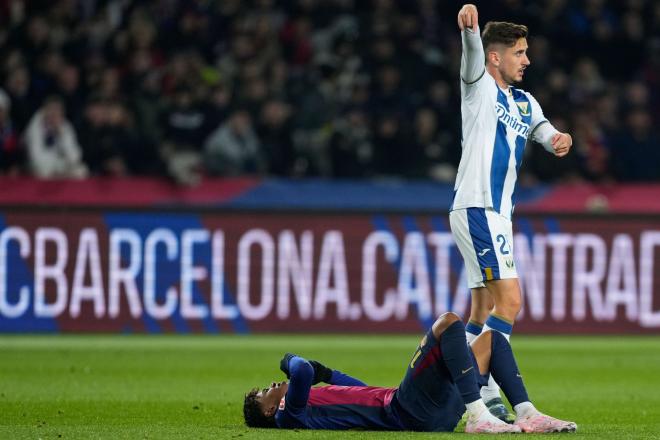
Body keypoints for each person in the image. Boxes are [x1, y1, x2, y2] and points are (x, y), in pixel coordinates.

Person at [449, 4, 573, 421]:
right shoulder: (478, 87)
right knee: (511, 302)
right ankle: (479, 398)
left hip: (498, 213)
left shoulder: (524, 101)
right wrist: (469, 31)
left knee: (482, 309)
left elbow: (543, 131)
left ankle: (471, 397)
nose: (527, 60)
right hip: (479, 206)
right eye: (519, 52)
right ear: (496, 57)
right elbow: (471, 54)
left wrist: (559, 138)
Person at [243, 312, 576, 433]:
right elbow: (299, 369)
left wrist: (327, 372)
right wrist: (288, 361)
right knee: (448, 323)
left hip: (430, 415)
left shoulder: (313, 405)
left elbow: (362, 389)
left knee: (491, 342)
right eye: (264, 391)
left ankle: (527, 413)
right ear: (270, 409)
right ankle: (478, 414)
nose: (271, 385)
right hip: (406, 411)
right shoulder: (291, 415)